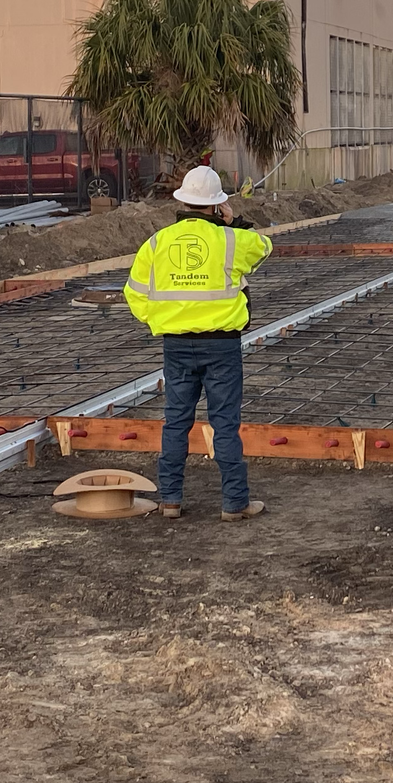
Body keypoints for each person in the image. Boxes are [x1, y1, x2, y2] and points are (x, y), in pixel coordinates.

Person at [124, 165, 273, 522]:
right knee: (224, 423)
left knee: (175, 422)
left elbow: (134, 294)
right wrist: (232, 223)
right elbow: (265, 248)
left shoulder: (157, 243)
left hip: (176, 346)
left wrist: (162, 320)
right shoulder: (230, 239)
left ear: (183, 202)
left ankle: (170, 501)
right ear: (216, 205)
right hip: (221, 346)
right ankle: (234, 503)